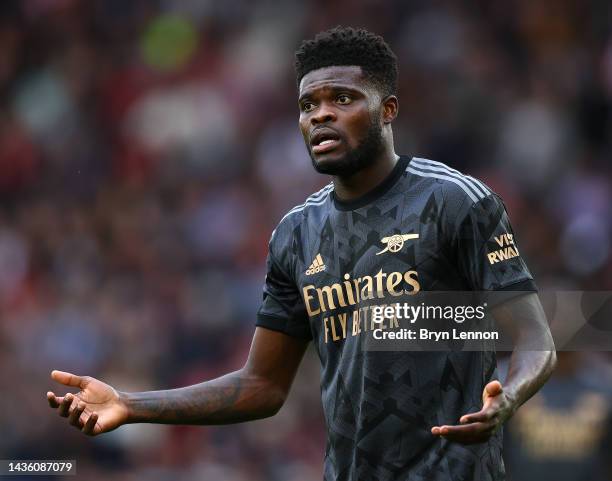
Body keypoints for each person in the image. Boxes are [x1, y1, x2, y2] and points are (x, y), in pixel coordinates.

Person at [47, 27, 556, 480]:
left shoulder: (453, 201)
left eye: (342, 98)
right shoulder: (296, 233)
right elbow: (262, 385)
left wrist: (506, 400)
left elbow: (537, 342)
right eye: (308, 105)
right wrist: (130, 405)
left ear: (388, 109)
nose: (322, 115)